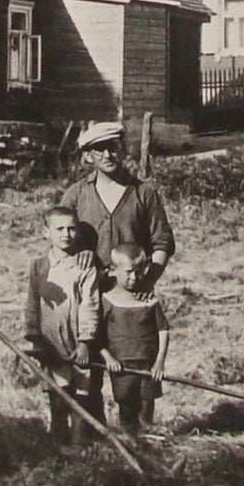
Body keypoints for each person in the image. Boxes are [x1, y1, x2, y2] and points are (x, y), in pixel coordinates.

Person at [60, 121, 176, 425]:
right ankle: (94, 436)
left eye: (114, 146)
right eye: (100, 149)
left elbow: (162, 241)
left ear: (123, 149)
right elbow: (60, 241)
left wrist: (149, 278)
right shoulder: (75, 196)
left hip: (131, 300)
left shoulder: (143, 193)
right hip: (88, 297)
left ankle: (140, 435)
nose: (108, 154)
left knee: (139, 370)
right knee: (89, 370)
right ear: (88, 156)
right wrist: (79, 255)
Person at [22, 205, 101, 445]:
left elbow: (90, 303)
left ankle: (78, 448)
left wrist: (87, 342)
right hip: (51, 343)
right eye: (59, 229)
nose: (66, 234)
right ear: (46, 232)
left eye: (71, 229)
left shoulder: (85, 266)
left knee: (81, 398)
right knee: (57, 397)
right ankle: (58, 447)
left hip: (78, 341)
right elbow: (32, 303)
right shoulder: (39, 266)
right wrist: (35, 338)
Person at [99, 244, 171, 437]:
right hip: (122, 366)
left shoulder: (149, 301)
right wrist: (109, 359)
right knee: (126, 404)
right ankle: (131, 440)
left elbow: (163, 329)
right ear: (114, 271)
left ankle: (147, 438)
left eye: (139, 272)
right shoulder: (108, 300)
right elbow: (97, 336)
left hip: (147, 364)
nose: (134, 278)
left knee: (147, 402)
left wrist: (159, 362)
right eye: (128, 272)